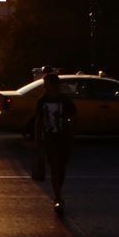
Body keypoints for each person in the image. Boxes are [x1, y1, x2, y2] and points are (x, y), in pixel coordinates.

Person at [34, 71, 76, 214]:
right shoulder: (42, 100)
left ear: (53, 85)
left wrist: (71, 132)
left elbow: (73, 117)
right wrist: (38, 139)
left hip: (63, 137)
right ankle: (57, 197)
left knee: (61, 167)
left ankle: (58, 193)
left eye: (46, 83)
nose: (44, 86)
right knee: (54, 167)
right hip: (50, 138)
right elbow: (38, 121)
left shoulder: (64, 100)